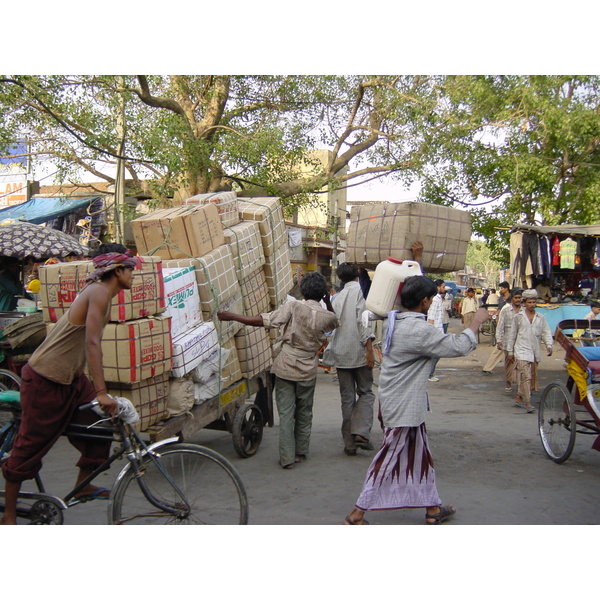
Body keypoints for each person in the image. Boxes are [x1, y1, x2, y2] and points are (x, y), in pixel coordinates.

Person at [1, 252, 139, 525]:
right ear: (118, 270)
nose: (133, 275)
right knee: (30, 446)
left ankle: (84, 484)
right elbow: (92, 344)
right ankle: (9, 513)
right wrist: (101, 391)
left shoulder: (102, 293)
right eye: (131, 270)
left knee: (101, 427)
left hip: (72, 379)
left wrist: (98, 391)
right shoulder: (98, 292)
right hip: (46, 378)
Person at [343, 275, 489, 525]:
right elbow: (457, 346)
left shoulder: (394, 319)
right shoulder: (417, 329)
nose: (433, 302)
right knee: (388, 457)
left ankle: (433, 509)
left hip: (403, 402)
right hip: (403, 406)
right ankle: (357, 514)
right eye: (431, 299)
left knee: (421, 457)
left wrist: (418, 262)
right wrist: (475, 322)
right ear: (424, 301)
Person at [217, 271, 339, 469]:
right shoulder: (328, 316)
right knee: (305, 412)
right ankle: (301, 451)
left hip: (286, 366)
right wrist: (327, 301)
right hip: (308, 369)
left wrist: (233, 316)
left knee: (286, 413)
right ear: (324, 294)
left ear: (303, 290)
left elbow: (264, 320)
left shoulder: (294, 306)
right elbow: (335, 321)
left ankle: (287, 457)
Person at [325, 263, 376, 456]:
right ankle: (361, 433)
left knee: (347, 399)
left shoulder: (337, 298)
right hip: (359, 352)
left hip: (341, 352)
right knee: (366, 392)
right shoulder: (360, 293)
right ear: (357, 275)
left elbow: (331, 323)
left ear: (340, 279)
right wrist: (369, 349)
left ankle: (349, 443)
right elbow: (363, 322)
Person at [504, 289, 553, 413]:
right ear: (524, 303)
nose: (532, 304)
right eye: (529, 302)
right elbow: (512, 335)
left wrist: (549, 345)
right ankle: (528, 402)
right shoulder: (518, 317)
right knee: (526, 376)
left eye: (533, 302)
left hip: (534, 351)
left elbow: (546, 332)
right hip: (521, 350)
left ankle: (519, 396)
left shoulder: (540, 317)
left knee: (527, 376)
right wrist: (510, 352)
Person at [493, 289, 523, 392]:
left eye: (519, 298)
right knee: (509, 362)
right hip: (508, 340)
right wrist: (499, 340)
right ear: (512, 298)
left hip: (521, 341)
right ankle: (508, 383)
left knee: (521, 363)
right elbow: (500, 325)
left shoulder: (524, 310)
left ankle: (521, 385)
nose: (518, 300)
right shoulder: (506, 310)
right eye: (516, 298)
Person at [426, 279, 446, 382]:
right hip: (435, 330)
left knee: (437, 354)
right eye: (443, 287)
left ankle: (429, 373)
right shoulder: (435, 299)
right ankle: (429, 374)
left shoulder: (438, 299)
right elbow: (431, 317)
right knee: (436, 353)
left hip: (438, 329)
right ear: (438, 287)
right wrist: (431, 332)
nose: (444, 288)